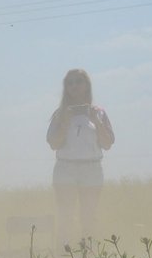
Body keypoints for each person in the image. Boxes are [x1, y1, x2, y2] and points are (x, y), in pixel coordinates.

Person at [46, 68, 115, 245]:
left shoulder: (99, 112)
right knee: (65, 216)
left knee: (89, 216)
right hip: (65, 168)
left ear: (87, 85)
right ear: (65, 88)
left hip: (91, 168)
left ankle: (88, 257)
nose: (74, 86)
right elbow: (53, 143)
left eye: (78, 82)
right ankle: (63, 256)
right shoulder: (60, 114)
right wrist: (66, 121)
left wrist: (96, 120)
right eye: (70, 83)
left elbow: (107, 143)